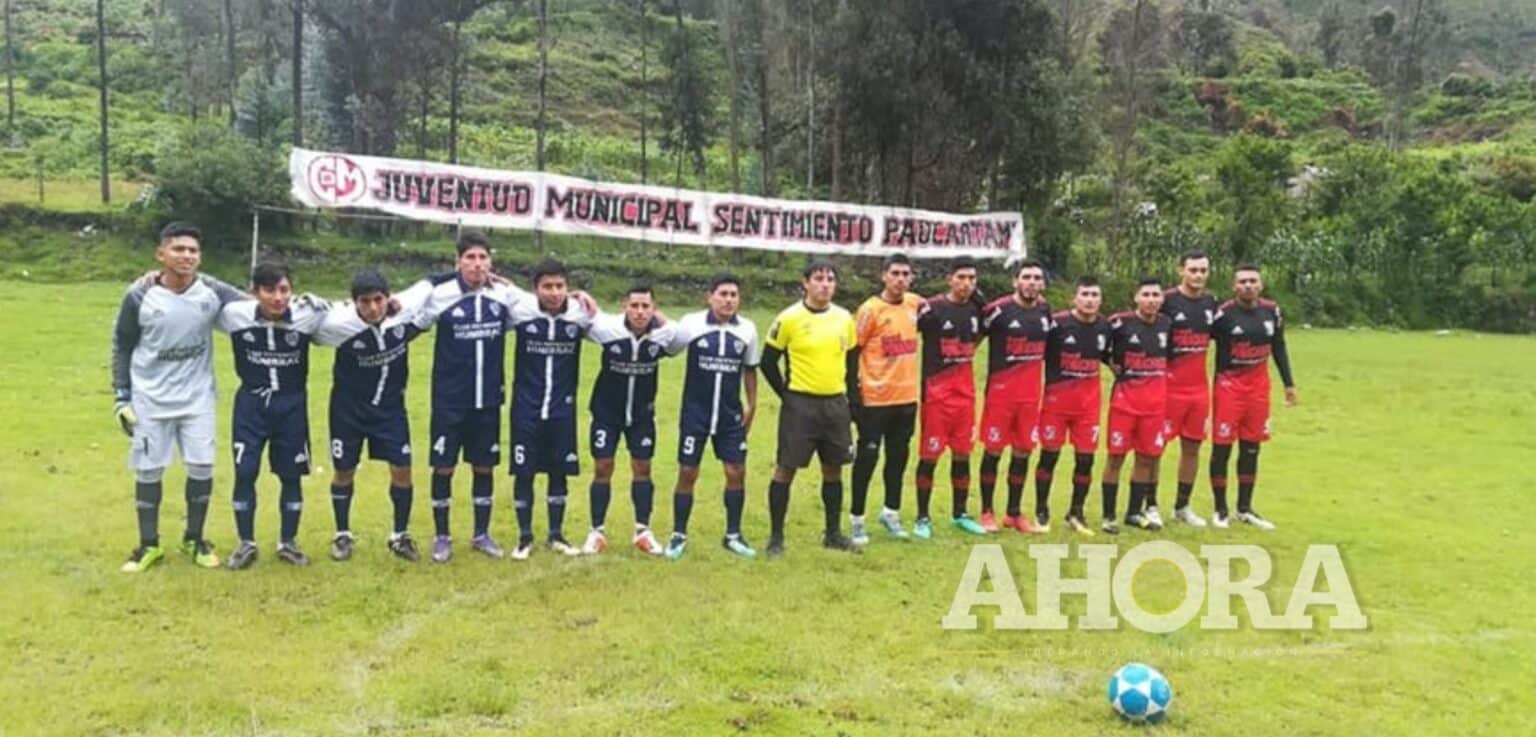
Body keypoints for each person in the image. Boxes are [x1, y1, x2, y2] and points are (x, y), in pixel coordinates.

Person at [111, 221, 247, 573]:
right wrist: (121, 398)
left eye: (193, 251)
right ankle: (148, 545)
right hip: (149, 400)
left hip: (197, 398)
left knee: (202, 467)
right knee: (148, 470)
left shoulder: (211, 291)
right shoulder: (139, 295)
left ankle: (194, 539)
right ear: (161, 254)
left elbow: (255, 306)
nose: (187, 256)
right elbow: (122, 346)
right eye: (178, 249)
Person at [415, 232, 532, 563]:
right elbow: (413, 323)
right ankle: (442, 537)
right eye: (470, 258)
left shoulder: (504, 296)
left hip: (488, 400)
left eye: (483, 258)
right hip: (450, 401)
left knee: (484, 466)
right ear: (458, 262)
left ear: (491, 262)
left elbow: (538, 306)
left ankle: (481, 534)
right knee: (444, 467)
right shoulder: (442, 296)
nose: (477, 264)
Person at [313, 269, 436, 563]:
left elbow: (429, 282)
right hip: (348, 413)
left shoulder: (402, 317)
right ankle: (342, 534)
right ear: (353, 302)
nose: (372, 307)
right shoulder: (339, 326)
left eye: (378, 300)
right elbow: (305, 328)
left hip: (390, 412)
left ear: (388, 297)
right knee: (344, 471)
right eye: (364, 301)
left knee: (402, 469)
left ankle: (399, 536)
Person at [218, 263, 329, 569]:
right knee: (245, 472)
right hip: (250, 406)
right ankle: (246, 543)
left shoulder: (309, 315)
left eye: (284, 290)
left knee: (291, 475)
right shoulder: (233, 316)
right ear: (255, 293)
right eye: (269, 290)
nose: (278, 298)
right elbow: (202, 291)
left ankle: (288, 543)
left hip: (291, 407)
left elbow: (348, 314)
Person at [761, 260, 860, 556]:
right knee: (786, 469)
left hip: (835, 404)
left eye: (830, 279)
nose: (825, 284)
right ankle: (776, 538)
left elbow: (852, 363)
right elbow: (768, 362)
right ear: (805, 283)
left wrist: (852, 404)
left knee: (833, 470)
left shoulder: (844, 318)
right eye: (818, 278)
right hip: (800, 405)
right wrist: (787, 395)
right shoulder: (789, 318)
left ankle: (833, 534)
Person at [661, 274, 761, 560]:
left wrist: (752, 406)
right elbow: (669, 347)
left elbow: (750, 369)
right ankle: (678, 534)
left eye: (734, 295)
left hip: (730, 417)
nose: (729, 300)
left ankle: (733, 535)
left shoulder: (748, 330)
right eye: (723, 294)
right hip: (696, 414)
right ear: (710, 296)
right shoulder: (692, 323)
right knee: (688, 472)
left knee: (735, 472)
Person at [505, 258, 595, 560]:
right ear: (536, 289)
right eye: (547, 287)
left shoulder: (580, 317)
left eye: (559, 286)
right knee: (524, 472)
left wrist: (581, 296)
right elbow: (498, 286)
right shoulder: (521, 312)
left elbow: (614, 324)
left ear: (567, 288)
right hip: (525, 409)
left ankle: (556, 535)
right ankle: (524, 537)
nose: (554, 293)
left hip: (562, 410)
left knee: (559, 472)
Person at [580, 283, 677, 555]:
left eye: (646, 306)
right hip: (606, 414)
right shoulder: (607, 329)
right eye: (634, 305)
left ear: (654, 310)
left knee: (643, 468)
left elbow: (681, 333)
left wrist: (660, 319)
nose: (639, 311)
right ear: (625, 306)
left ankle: (643, 531)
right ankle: (596, 531)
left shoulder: (663, 335)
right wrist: (580, 296)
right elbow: (582, 314)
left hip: (642, 416)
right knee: (603, 467)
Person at [1209, 264, 1297, 530]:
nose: (1248, 285)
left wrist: (1289, 384)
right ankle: (1220, 509)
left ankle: (1245, 509)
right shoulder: (1222, 315)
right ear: (1234, 286)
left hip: (1258, 389)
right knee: (1222, 449)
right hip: (1229, 387)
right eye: (1243, 281)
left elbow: (1279, 346)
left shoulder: (1273, 311)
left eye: (1253, 281)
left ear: (1260, 285)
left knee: (1251, 449)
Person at [848, 254, 921, 543]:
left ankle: (891, 512)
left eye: (906, 274)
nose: (900, 279)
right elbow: (853, 350)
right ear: (884, 276)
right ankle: (857, 519)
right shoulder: (870, 309)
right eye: (895, 273)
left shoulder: (916, 304)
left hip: (906, 398)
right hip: (875, 398)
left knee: (898, 457)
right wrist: (853, 395)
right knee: (867, 458)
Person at [976, 260, 1051, 535]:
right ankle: (986, 511)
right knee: (993, 452)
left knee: (1023, 452)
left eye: (1037, 278)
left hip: (1031, 398)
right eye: (1027, 277)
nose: (1032, 282)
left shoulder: (1045, 310)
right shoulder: (997, 311)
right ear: (1015, 281)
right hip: (1001, 396)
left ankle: (1014, 513)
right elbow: (972, 339)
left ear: (1042, 284)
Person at [914, 258, 987, 538]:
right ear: (949, 279)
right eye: (961, 277)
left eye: (972, 278)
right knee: (929, 456)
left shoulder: (976, 309)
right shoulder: (932, 309)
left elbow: (979, 336)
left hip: (965, 395)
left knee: (962, 454)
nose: (967, 283)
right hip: (936, 395)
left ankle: (960, 513)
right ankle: (923, 517)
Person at [1034, 276, 1112, 536]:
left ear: (1100, 300)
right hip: (1056, 403)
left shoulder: (1105, 327)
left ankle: (1076, 512)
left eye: (1094, 295)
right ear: (1074, 299)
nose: (1090, 300)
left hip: (1088, 407)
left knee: (1085, 460)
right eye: (1085, 295)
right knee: (1049, 456)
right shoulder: (1057, 325)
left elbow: (1111, 358)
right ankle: (1042, 510)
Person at [1101, 277, 1173, 534]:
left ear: (1162, 300)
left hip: (1154, 406)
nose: (1151, 300)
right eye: (1146, 295)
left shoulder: (1166, 324)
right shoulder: (1119, 323)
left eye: (1156, 295)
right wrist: (1109, 362)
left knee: (1146, 458)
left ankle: (1133, 512)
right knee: (1116, 457)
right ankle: (1108, 515)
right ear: (1136, 298)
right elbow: (1097, 343)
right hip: (1124, 404)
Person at [1161, 250, 1219, 527]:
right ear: (1180, 270)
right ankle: (1147, 504)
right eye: (1193, 270)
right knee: (1154, 449)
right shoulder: (1166, 300)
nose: (1198, 275)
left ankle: (1182, 506)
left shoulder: (1211, 302)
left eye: (1203, 270)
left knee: (1192, 448)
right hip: (1168, 388)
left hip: (1198, 390)